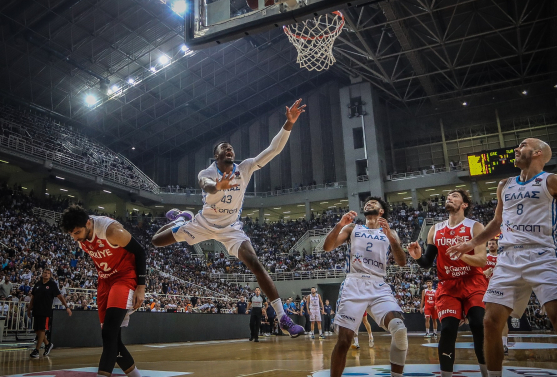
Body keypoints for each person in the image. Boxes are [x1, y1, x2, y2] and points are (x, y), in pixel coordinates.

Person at [151, 99, 306, 338]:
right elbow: (208, 187)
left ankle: (283, 316)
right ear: (216, 155)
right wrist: (218, 186)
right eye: (225, 148)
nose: (229, 149)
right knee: (156, 241)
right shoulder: (207, 173)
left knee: (255, 263)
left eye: (231, 147)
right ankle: (181, 220)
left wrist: (288, 123)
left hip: (230, 228)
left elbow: (273, 150)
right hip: (203, 223)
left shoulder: (244, 168)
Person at [448, 138, 557, 377]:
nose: (517, 149)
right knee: (490, 322)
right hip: (508, 258)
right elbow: (497, 222)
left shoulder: (553, 181)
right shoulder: (504, 184)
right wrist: (471, 242)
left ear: (538, 152)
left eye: (522, 145)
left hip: (542, 255)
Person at [323, 197, 408, 377]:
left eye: (373, 203)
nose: (369, 204)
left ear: (381, 211)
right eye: (367, 203)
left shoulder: (390, 232)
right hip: (354, 283)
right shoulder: (353, 228)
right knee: (344, 341)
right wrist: (339, 224)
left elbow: (402, 262)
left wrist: (392, 239)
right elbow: (327, 247)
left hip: (378, 283)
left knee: (399, 330)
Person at [407, 189, 488, 377]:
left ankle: (487, 373)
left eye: (454, 196)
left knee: (478, 324)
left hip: (473, 281)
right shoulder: (435, 229)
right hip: (448, 285)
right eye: (447, 197)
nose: (449, 198)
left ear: (464, 204)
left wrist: (463, 255)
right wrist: (418, 257)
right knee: (448, 329)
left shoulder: (475, 227)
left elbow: (482, 260)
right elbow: (427, 263)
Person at [60, 205, 146, 377]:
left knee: (109, 333)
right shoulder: (80, 232)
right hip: (105, 280)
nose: (75, 237)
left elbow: (140, 251)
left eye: (77, 233)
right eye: (71, 234)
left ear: (88, 224)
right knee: (112, 338)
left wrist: (141, 287)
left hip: (124, 277)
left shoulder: (111, 231)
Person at [27, 269, 71, 358]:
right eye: (45, 273)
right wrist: (29, 309)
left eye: (48, 273)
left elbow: (60, 296)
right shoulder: (38, 284)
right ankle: (47, 344)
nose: (46, 274)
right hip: (36, 309)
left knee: (42, 329)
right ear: (42, 274)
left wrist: (67, 307)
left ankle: (37, 350)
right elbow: (33, 297)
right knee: (36, 330)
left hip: (45, 310)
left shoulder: (52, 285)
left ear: (50, 276)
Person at [483, 238, 509, 354]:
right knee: (486, 319)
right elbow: (478, 272)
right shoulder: (484, 257)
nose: (492, 245)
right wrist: (485, 273)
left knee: (502, 318)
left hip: (500, 289)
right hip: (485, 290)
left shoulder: (502, 258)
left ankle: (504, 345)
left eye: (493, 243)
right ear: (487, 246)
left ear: (497, 246)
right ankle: (489, 344)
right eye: (490, 243)